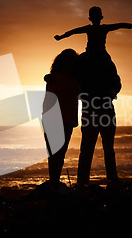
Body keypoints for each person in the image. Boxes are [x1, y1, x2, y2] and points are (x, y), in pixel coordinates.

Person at [55, 6, 132, 186]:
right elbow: (72, 78)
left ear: (98, 17)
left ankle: (111, 181)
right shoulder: (83, 61)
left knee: (106, 149)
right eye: (94, 17)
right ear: (93, 18)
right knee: (88, 149)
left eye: (96, 17)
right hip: (91, 109)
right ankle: (83, 183)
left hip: (105, 108)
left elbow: (117, 81)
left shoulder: (106, 61)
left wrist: (112, 91)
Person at [43, 49, 79, 192]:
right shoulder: (61, 78)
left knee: (56, 154)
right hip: (58, 118)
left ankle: (54, 183)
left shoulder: (61, 77)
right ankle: (54, 183)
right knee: (56, 154)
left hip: (59, 118)